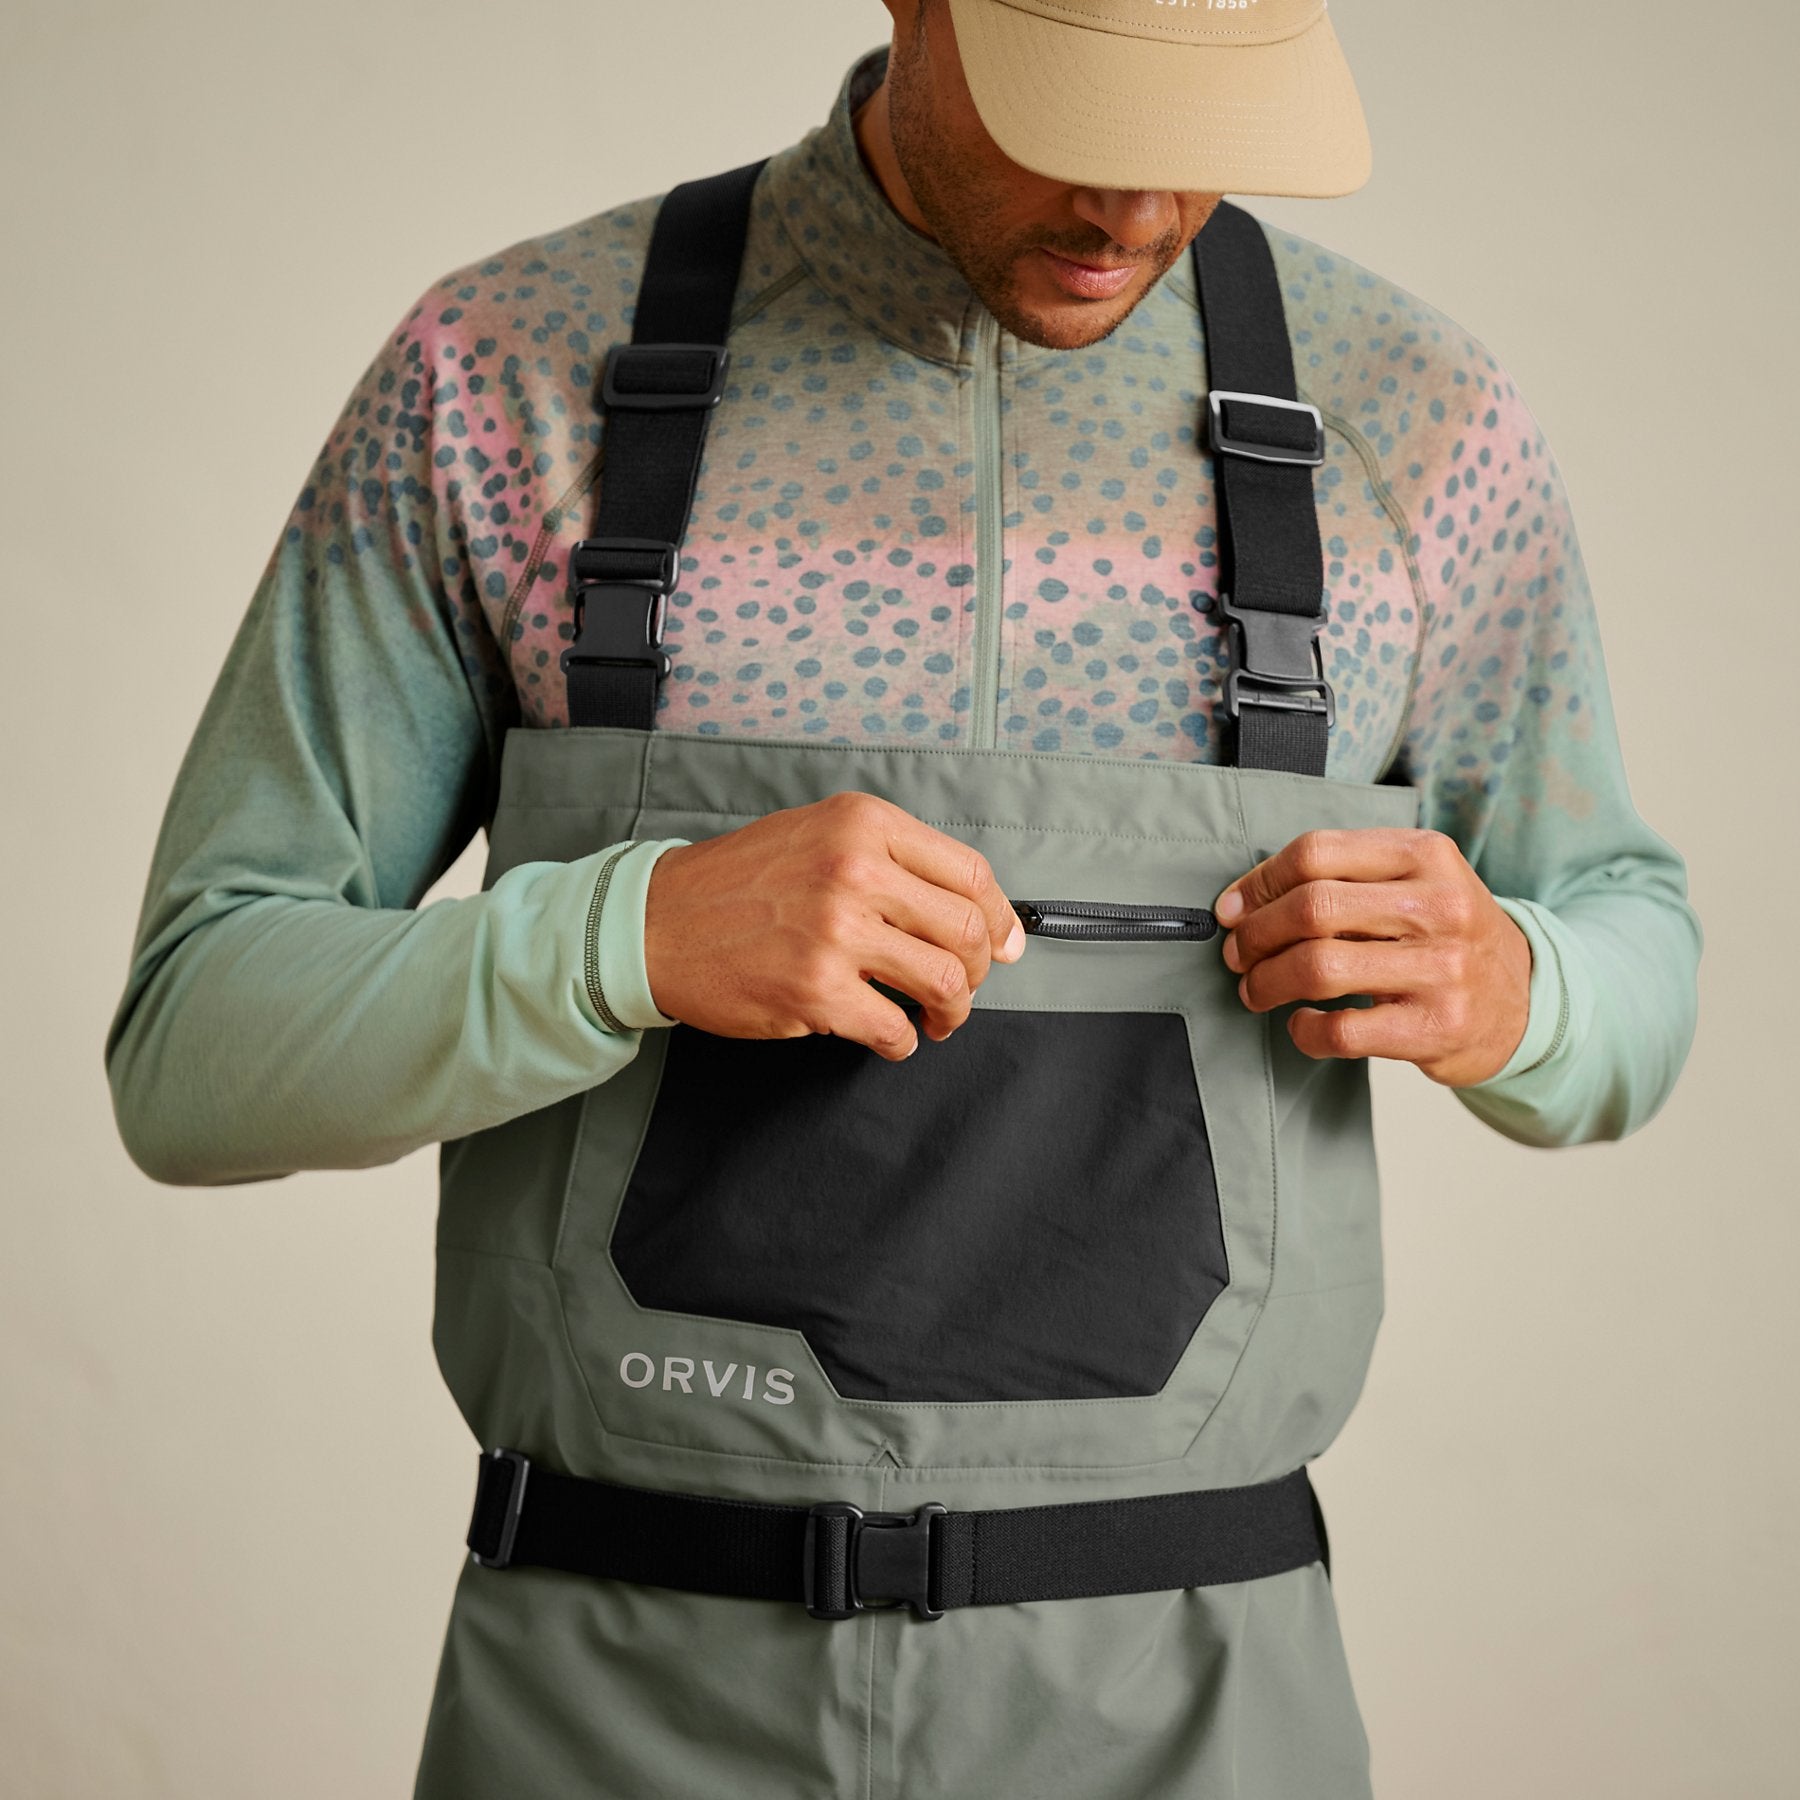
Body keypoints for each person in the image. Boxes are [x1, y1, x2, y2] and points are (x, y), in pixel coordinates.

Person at [104, 1, 1702, 1794]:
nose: (1137, 207)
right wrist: (620, 940)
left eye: (1201, 129)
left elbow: (1633, 953)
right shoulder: (509, 370)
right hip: (617, 1704)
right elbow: (192, 1046)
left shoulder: (1413, 419)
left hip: (1191, 1709)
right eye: (1079, 113)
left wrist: (1525, 989)